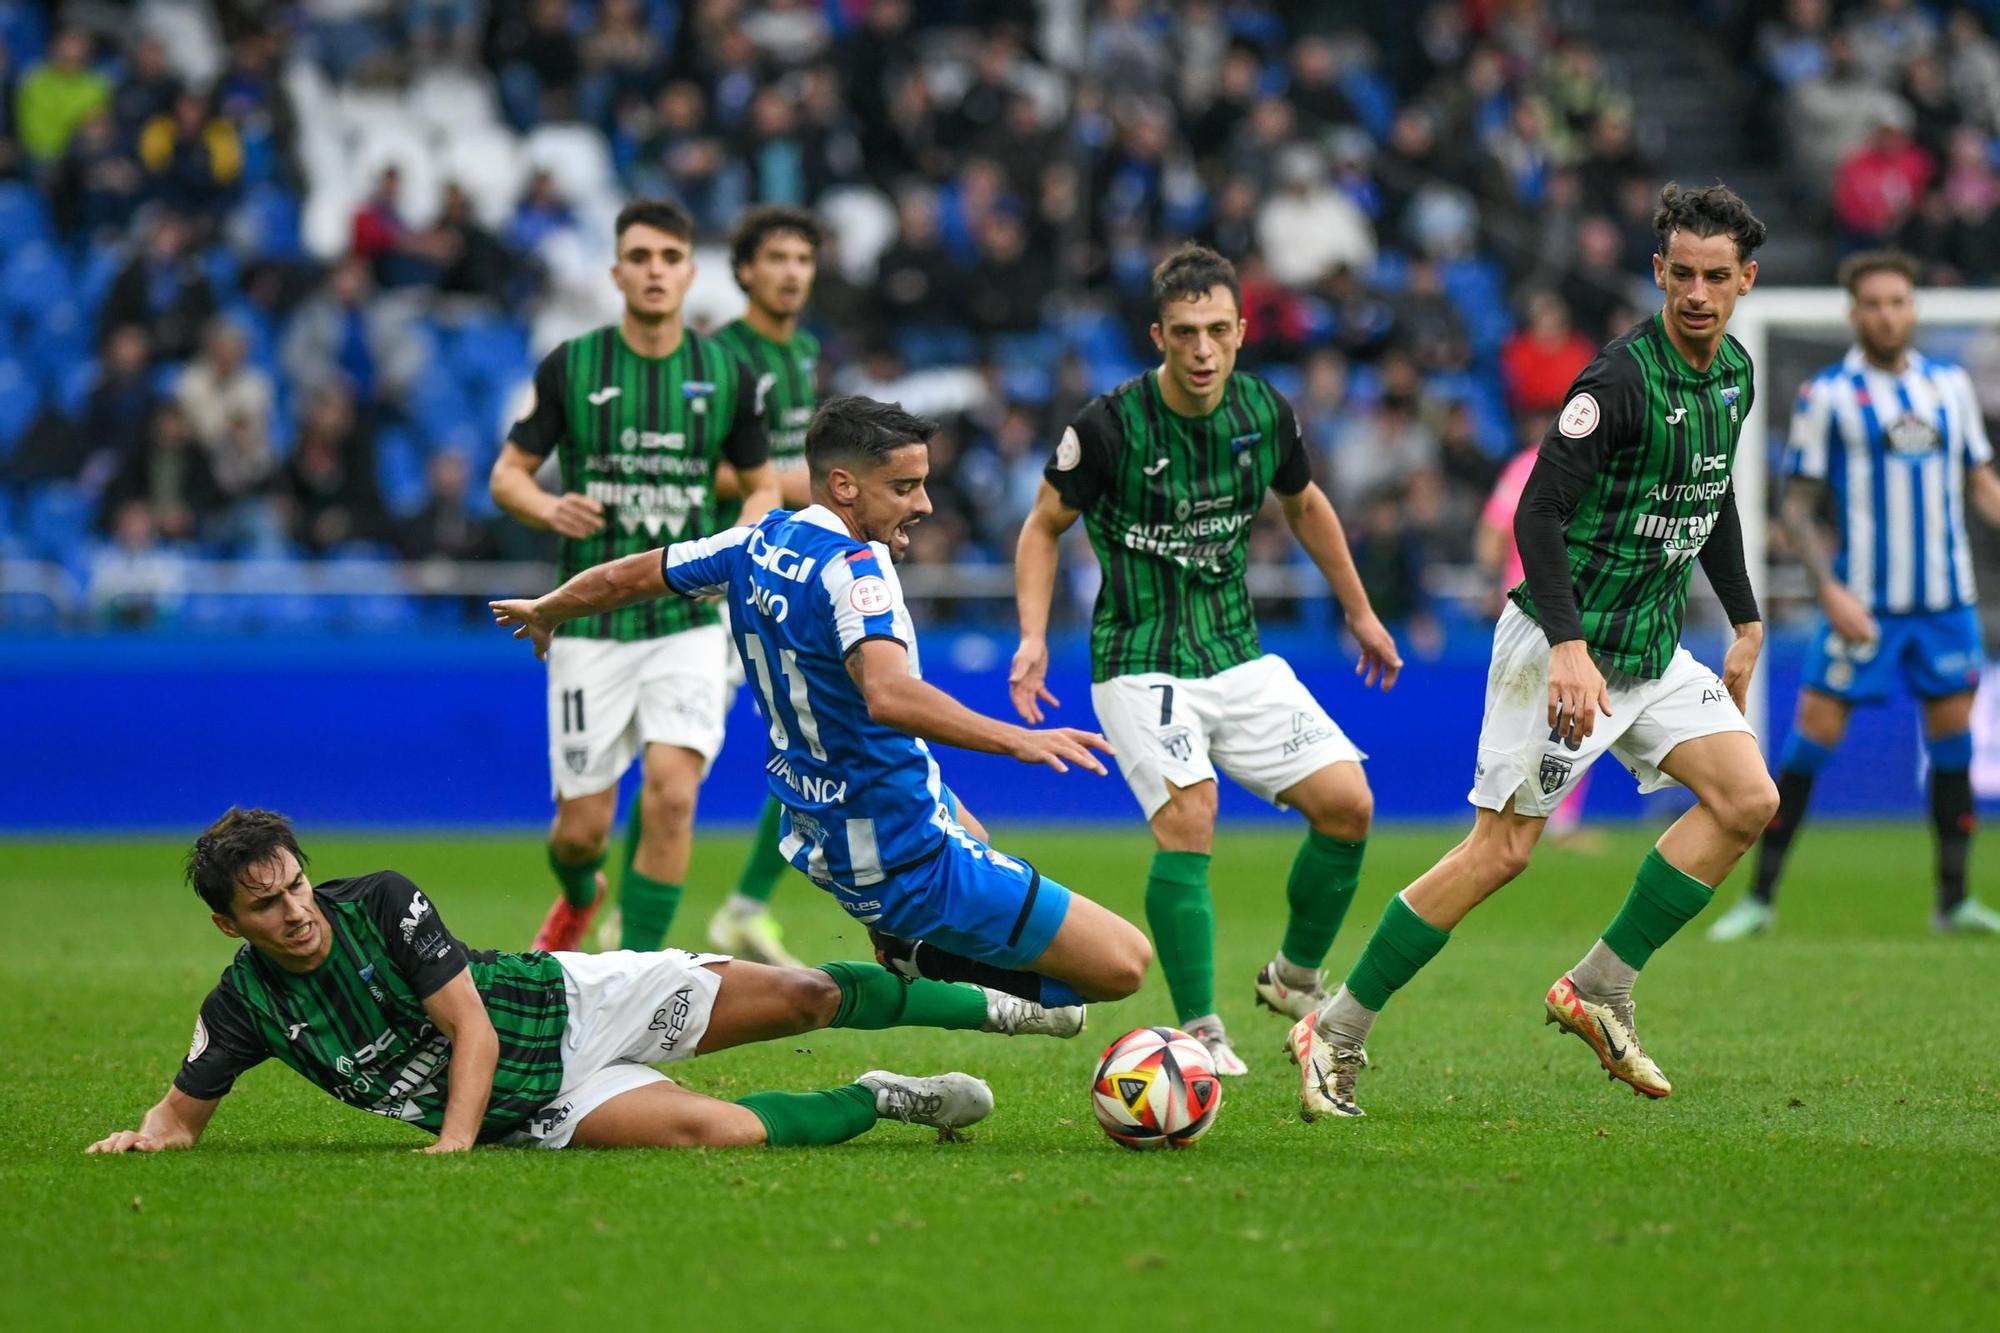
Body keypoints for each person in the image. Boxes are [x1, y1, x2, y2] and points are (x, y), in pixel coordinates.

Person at [1290, 183, 1778, 1118]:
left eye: (1719, 277)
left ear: (1746, 279)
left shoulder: (1734, 376)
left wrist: (1746, 618)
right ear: (1658, 273)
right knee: (1501, 852)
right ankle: (1337, 1026)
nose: (1699, 294)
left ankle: (1599, 985)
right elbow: (1537, 510)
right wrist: (1566, 645)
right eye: (1682, 274)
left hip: (1648, 645)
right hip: (1564, 641)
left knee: (1748, 797)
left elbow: (1709, 496)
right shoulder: (1619, 381)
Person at [492, 395, 1153, 1012]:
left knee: (971, 829)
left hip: (819, 826)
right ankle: (935, 966)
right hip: (900, 849)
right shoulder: (858, 572)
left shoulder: (752, 540)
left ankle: (910, 944)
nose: (923, 504)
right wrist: (1019, 740)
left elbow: (631, 573)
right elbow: (889, 694)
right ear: (843, 485)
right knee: (1125, 965)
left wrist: (551, 609)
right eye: (903, 487)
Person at [87, 808, 1078, 1155]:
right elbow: (182, 1112)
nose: (295, 911)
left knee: (809, 994)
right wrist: (150, 1136)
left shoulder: (378, 904)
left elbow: (469, 1031)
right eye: (267, 907)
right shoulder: (244, 1005)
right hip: (538, 1106)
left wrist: (451, 1146)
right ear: (230, 922)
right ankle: (875, 1099)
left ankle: (1006, 1005)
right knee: (717, 1132)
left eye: (295, 884)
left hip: (576, 1002)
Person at [1008, 244, 1402, 1075]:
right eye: (1184, 331)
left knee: (1349, 804)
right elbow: (1043, 525)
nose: (1202, 349)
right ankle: (1200, 1029)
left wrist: (1360, 610)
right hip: (1139, 656)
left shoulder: (1265, 412)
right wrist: (1034, 634)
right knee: (1192, 813)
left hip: (1235, 650)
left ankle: (1292, 978)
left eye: (1218, 330)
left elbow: (1305, 505)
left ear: (1242, 330)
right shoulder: (1107, 425)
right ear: (1158, 333)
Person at [488, 200, 779, 957]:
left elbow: (764, 484)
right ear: (617, 270)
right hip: (589, 622)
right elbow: (506, 476)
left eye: (670, 257)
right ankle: (583, 895)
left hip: (685, 617)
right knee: (581, 831)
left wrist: (744, 533)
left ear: (690, 271)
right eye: (641, 257)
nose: (655, 271)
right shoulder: (572, 366)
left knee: (673, 796)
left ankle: (640, 974)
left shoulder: (726, 373)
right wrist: (550, 508)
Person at [1710, 251, 2000, 939]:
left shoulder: (1949, 387)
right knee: (1812, 737)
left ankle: (1953, 899)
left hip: (1944, 602)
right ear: (1853, 312)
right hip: (1861, 602)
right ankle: (1761, 897)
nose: (1887, 314)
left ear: (1913, 307)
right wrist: (1829, 589)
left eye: (1898, 301)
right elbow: (1799, 504)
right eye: (1873, 303)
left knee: (1953, 740)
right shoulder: (1828, 395)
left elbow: (1980, 479)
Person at [703, 206, 826, 968]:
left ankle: (745, 908)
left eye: (803, 258)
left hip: (779, 571)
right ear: (743, 269)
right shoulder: (718, 354)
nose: (790, 271)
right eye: (775, 257)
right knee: (676, 756)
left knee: (813, 735)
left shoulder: (805, 351)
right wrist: (779, 481)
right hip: (713, 577)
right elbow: (691, 457)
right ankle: (616, 910)